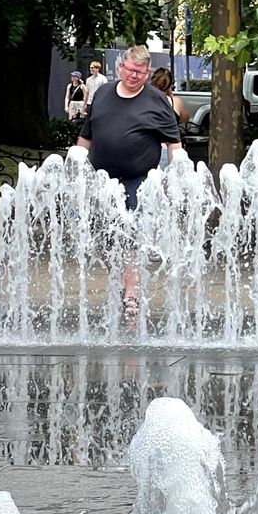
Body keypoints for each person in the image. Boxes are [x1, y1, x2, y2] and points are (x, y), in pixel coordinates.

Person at [75, 45, 182, 318]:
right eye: (130, 70)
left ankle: (131, 294)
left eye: (141, 72)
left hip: (137, 179)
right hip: (101, 179)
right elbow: (87, 134)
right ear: (121, 67)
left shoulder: (156, 100)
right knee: (107, 235)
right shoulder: (102, 93)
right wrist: (74, 165)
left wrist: (176, 175)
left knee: (130, 235)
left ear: (147, 74)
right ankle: (123, 284)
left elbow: (173, 142)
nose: (134, 76)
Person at [150, 68, 188, 169]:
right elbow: (185, 118)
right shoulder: (175, 101)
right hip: (171, 150)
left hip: (149, 150)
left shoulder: (146, 100)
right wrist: (171, 95)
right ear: (170, 85)